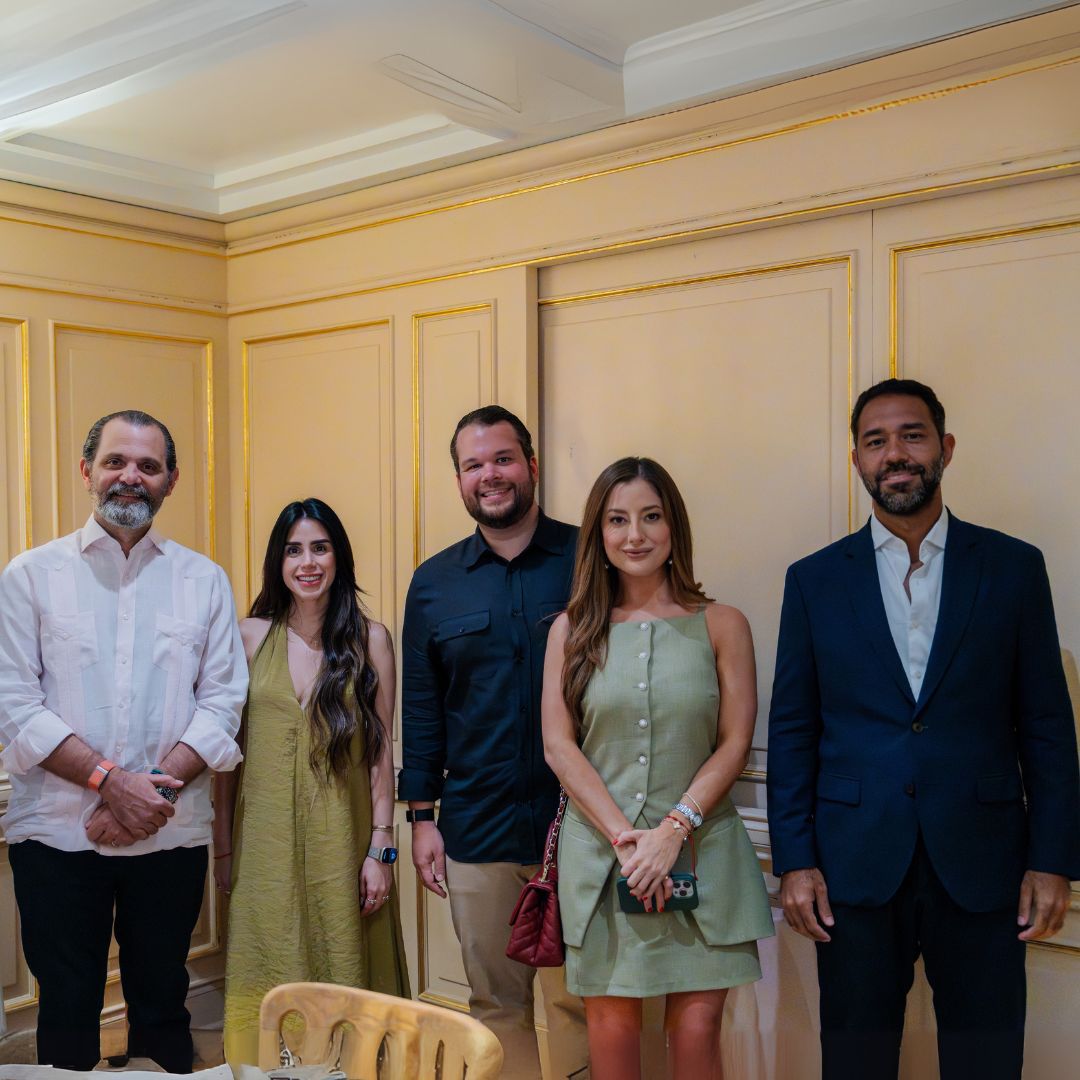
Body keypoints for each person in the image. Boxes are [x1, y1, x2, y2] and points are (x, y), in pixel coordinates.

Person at [767, 378, 1080, 1080]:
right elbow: (792, 727)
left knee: (986, 1060)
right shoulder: (814, 580)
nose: (895, 455)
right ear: (856, 459)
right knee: (856, 1061)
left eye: (912, 435)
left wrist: (1053, 858)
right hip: (851, 865)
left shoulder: (1013, 568)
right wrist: (795, 859)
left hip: (984, 863)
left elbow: (1046, 725)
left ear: (946, 447)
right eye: (876, 441)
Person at [0, 409, 247, 1072]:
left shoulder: (204, 580)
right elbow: (14, 703)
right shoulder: (29, 576)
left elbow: (223, 702)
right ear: (87, 470)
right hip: (55, 836)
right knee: (67, 1009)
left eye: (148, 466)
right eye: (115, 461)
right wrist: (111, 783)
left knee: (164, 1003)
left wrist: (147, 795)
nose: (130, 476)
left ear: (171, 481)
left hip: (168, 834)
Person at [542, 456, 774, 1080]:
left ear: (675, 526)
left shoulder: (722, 624)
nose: (635, 535)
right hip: (603, 862)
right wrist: (627, 841)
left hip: (703, 855)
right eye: (617, 520)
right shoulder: (571, 630)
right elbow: (559, 746)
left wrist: (673, 830)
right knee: (612, 1042)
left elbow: (734, 742)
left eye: (651, 516)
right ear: (599, 533)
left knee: (696, 1040)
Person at [399, 405, 588, 1080]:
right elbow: (422, 709)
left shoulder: (589, 558)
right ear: (459, 479)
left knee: (582, 1001)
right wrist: (422, 818)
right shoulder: (434, 583)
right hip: (477, 826)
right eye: (473, 465)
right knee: (496, 1006)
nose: (490, 475)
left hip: (582, 824)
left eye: (503, 459)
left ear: (531, 465)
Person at [214, 498, 409, 1063]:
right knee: (267, 956)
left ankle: (350, 1067)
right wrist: (222, 848)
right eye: (293, 550)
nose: (307, 562)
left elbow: (381, 752)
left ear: (338, 556)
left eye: (319, 548)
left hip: (342, 838)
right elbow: (228, 755)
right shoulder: (249, 637)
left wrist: (381, 848)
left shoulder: (371, 640)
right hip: (263, 843)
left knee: (342, 950)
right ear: (278, 562)